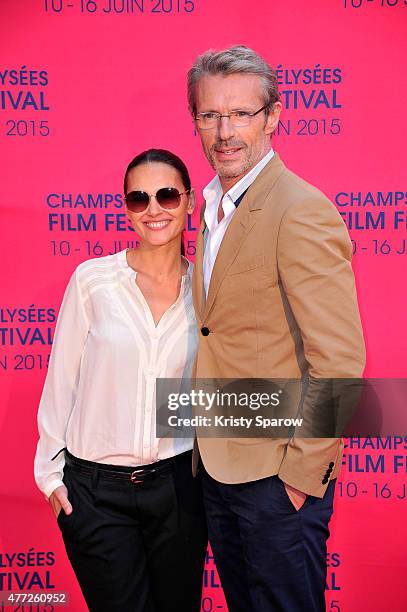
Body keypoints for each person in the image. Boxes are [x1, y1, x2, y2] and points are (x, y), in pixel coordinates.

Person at [187, 45, 366, 611]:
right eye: (211, 114)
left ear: (274, 117)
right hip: (217, 465)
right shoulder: (211, 209)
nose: (225, 131)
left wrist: (300, 475)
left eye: (241, 113)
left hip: (277, 478)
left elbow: (339, 362)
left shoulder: (300, 209)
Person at [34, 149, 207, 612]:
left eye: (168, 195)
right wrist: (51, 480)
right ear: (126, 206)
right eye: (139, 198)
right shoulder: (93, 281)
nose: (154, 209)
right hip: (95, 493)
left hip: (179, 488)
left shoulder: (209, 290)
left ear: (189, 202)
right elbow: (61, 382)